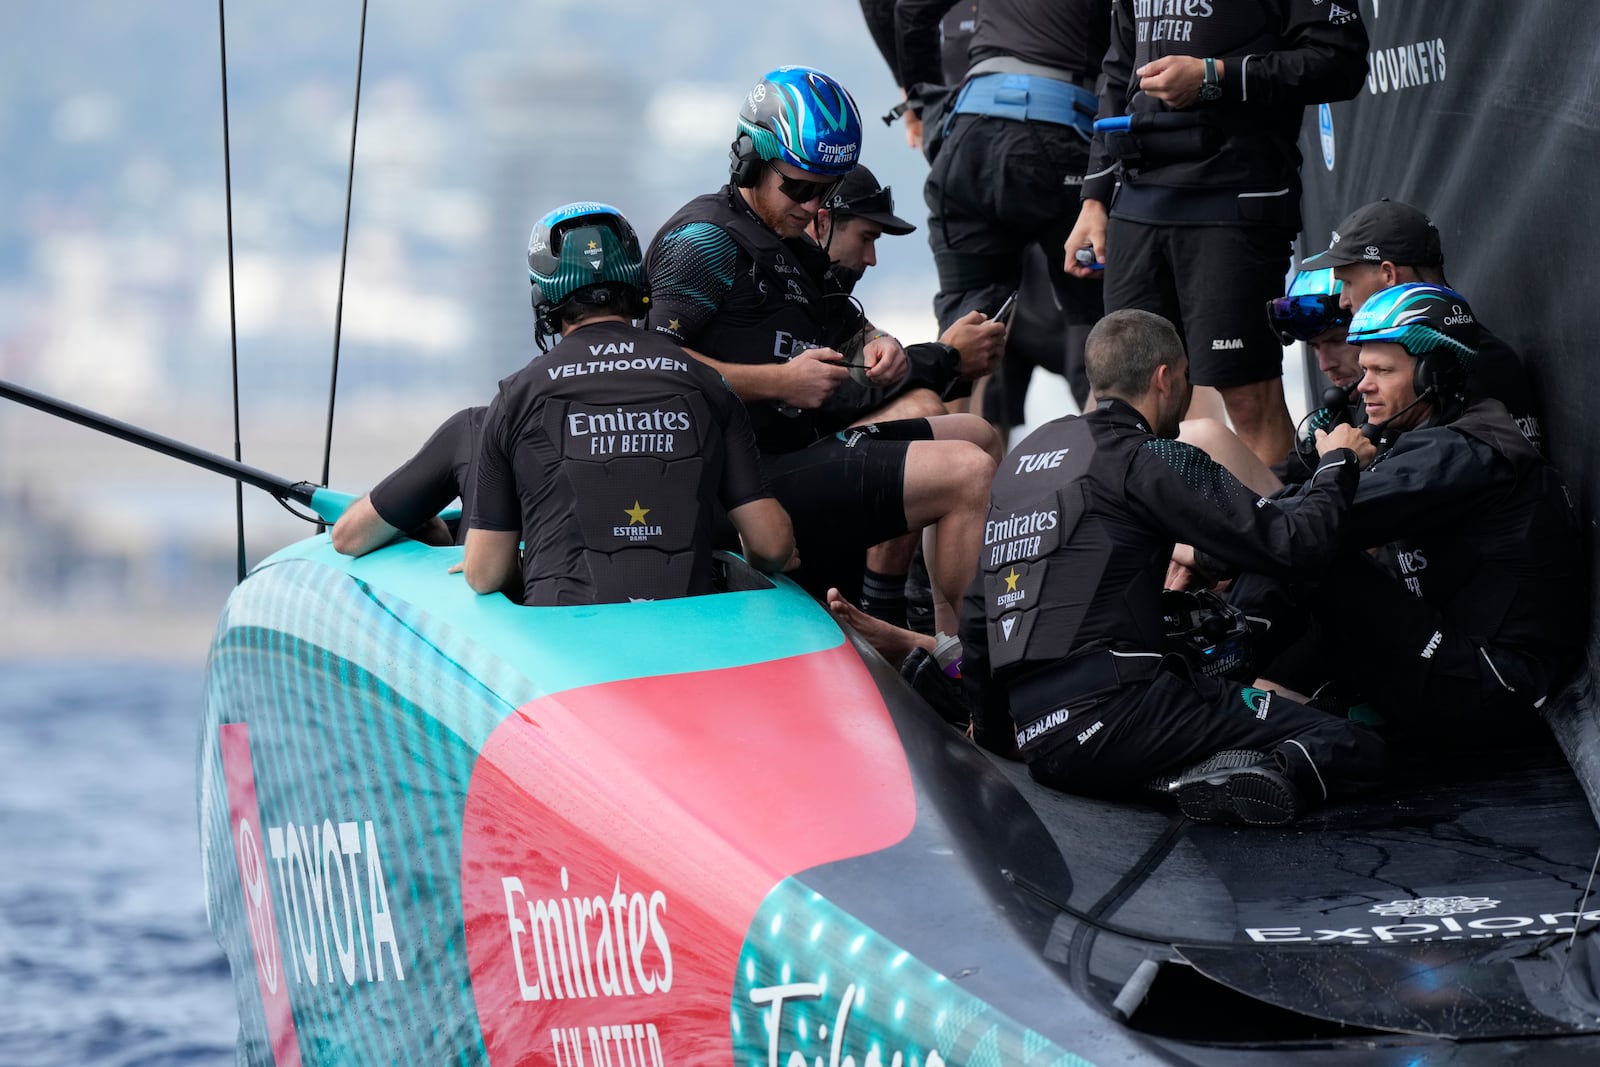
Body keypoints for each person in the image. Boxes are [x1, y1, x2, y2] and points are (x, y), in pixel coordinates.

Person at [958, 308, 1386, 826]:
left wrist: (995, 735)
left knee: (1199, 641)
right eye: (1187, 376)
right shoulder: (1147, 455)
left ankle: (1169, 771)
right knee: (1355, 742)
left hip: (1043, 746)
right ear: (1165, 377)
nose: (1187, 389)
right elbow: (1296, 544)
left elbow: (977, 616)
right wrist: (1338, 463)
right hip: (1122, 716)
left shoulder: (1025, 462)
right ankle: (1230, 772)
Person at [643, 66, 997, 633]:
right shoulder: (703, 241)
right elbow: (652, 371)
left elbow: (846, 324)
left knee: (978, 435)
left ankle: (941, 649)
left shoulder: (787, 243)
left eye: (825, 191)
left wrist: (881, 345)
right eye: (800, 189)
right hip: (735, 483)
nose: (813, 207)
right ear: (748, 163)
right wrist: (780, 383)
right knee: (968, 472)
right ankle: (965, 662)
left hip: (792, 451)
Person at [1240, 284, 1585, 736]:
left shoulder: (1461, 453)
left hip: (1498, 684)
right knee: (1305, 553)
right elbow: (1292, 497)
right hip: (1459, 656)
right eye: (1364, 370)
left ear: (1433, 375)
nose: (1363, 386)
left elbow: (1309, 525)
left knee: (1315, 550)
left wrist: (1205, 552)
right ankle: (1234, 684)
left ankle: (1212, 668)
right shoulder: (1415, 436)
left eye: (1382, 371)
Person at [1064, 0, 1370, 468]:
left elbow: (1339, 63)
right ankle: (1154, 542)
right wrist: (1094, 197)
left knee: (1247, 396)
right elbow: (1117, 74)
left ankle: (1285, 535)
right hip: (1138, 200)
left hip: (1235, 197)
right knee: (1129, 402)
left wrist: (1216, 75)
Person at [462, 202, 795, 605]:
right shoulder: (707, 382)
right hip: (689, 638)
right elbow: (772, 545)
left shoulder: (516, 396)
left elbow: (484, 573)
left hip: (566, 645)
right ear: (640, 289)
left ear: (544, 302)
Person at [897, 0, 1110, 429]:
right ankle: (1113, 470)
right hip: (1061, 136)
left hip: (969, 133)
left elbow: (907, 11)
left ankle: (935, 481)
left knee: (961, 336)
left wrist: (924, 105)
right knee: (1105, 329)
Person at [1301, 198, 1543, 451]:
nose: (1343, 301)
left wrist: (1337, 469)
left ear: (1388, 275)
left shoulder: (1469, 368)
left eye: (1348, 283)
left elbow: (1423, 479)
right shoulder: (1464, 355)